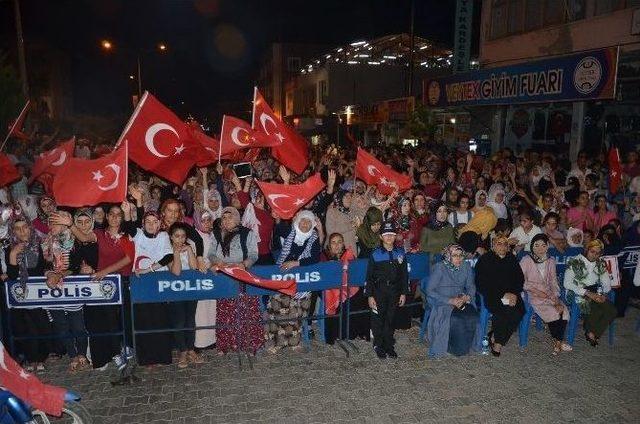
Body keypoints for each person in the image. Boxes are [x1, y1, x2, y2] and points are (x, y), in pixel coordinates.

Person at [209, 206, 263, 355]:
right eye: (224, 218)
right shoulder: (216, 234)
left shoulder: (247, 233)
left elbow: (253, 254)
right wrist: (218, 262)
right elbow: (211, 254)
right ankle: (226, 344)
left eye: (230, 217)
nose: (226, 221)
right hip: (224, 276)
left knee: (247, 309)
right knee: (225, 310)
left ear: (237, 219)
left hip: (242, 275)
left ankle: (250, 344)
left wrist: (244, 264)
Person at [269, 210, 322, 352]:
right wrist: (278, 219)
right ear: (298, 221)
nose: (305, 224)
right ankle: (279, 343)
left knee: (297, 313)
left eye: (308, 222)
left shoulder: (314, 237)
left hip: (302, 281)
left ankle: (294, 342)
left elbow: (315, 258)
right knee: (280, 310)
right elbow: (279, 229)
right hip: (284, 279)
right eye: (303, 221)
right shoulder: (291, 232)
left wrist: (296, 263)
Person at [5, 212, 51, 371]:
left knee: (38, 325)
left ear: (30, 228)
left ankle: (41, 357)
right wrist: (13, 254)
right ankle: (32, 359)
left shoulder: (40, 245)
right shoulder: (10, 248)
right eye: (17, 229)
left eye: (25, 227)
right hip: (18, 296)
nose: (22, 231)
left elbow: (39, 270)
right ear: (13, 231)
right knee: (21, 326)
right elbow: (11, 276)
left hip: (36, 293)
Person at [130, 211, 174, 367]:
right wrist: (138, 203)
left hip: (156, 281)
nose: (150, 224)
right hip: (139, 283)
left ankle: (162, 357)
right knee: (143, 320)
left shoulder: (163, 237)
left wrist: (149, 269)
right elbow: (128, 225)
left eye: (154, 221)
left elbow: (169, 257)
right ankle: (146, 359)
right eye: (147, 221)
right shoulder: (138, 234)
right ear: (143, 223)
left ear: (159, 223)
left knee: (159, 319)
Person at [520, 234, 572, 355]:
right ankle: (559, 341)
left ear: (547, 246)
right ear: (532, 246)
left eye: (543, 245)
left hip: (549, 293)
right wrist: (537, 291)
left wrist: (556, 298)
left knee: (563, 311)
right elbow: (520, 281)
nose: (540, 249)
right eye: (536, 245)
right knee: (553, 312)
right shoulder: (526, 260)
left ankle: (557, 342)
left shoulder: (550, 260)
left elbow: (553, 281)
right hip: (532, 294)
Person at [364, 222, 409, 359]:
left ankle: (389, 344)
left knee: (390, 318)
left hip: (394, 291)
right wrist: (370, 295)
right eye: (386, 235)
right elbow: (369, 276)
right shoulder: (375, 254)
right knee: (378, 319)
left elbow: (404, 275)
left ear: (395, 237)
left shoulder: (400, 253)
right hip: (379, 291)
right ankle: (378, 345)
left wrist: (403, 292)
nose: (389, 237)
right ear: (381, 237)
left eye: (392, 234)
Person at [475, 235, 525, 356]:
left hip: (512, 294)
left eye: (505, 244)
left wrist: (513, 293)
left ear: (508, 247)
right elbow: (481, 282)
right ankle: (498, 343)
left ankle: (497, 337)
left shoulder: (511, 258)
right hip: (493, 295)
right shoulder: (485, 259)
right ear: (493, 245)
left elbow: (519, 278)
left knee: (518, 312)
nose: (502, 246)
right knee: (503, 311)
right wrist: (503, 294)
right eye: (499, 243)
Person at [426, 244, 478, 358]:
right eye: (454, 255)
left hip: (460, 297)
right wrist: (450, 300)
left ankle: (464, 345)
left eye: (460, 255)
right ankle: (449, 346)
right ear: (448, 256)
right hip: (443, 300)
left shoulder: (466, 266)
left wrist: (468, 296)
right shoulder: (440, 268)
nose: (458, 258)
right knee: (455, 318)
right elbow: (429, 290)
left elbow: (471, 285)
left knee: (471, 315)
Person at [564, 239, 617, 346]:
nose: (594, 255)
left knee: (611, 310)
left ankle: (592, 332)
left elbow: (606, 282)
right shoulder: (575, 261)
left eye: (598, 253)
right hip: (577, 292)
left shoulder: (600, 263)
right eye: (592, 251)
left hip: (596, 291)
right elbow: (567, 283)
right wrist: (587, 293)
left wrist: (603, 294)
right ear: (586, 250)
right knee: (594, 309)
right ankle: (591, 334)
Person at [322, 232, 370, 344]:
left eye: (339, 242)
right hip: (329, 288)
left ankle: (358, 332)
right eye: (333, 242)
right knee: (336, 297)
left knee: (361, 295)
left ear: (343, 244)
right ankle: (338, 334)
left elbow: (355, 273)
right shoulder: (324, 256)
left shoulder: (348, 255)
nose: (337, 245)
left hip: (348, 287)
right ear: (329, 245)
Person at [167, 222, 204, 368]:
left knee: (190, 320)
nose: (180, 239)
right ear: (171, 237)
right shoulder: (167, 249)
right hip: (175, 291)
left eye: (183, 236)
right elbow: (176, 271)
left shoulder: (189, 246)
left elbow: (194, 267)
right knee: (179, 322)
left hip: (190, 289)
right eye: (177, 236)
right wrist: (176, 253)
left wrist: (189, 250)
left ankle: (190, 349)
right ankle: (182, 351)